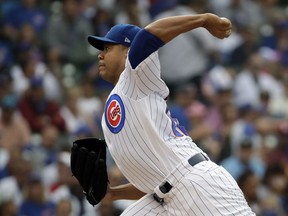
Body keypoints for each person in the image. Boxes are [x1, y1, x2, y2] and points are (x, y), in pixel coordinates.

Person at [87, 12, 255, 215]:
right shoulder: (120, 97)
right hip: (164, 197)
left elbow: (147, 36)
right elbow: (154, 178)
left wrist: (203, 20)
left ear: (127, 52)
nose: (100, 54)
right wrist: (114, 194)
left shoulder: (136, 76)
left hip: (197, 184)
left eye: (107, 48)